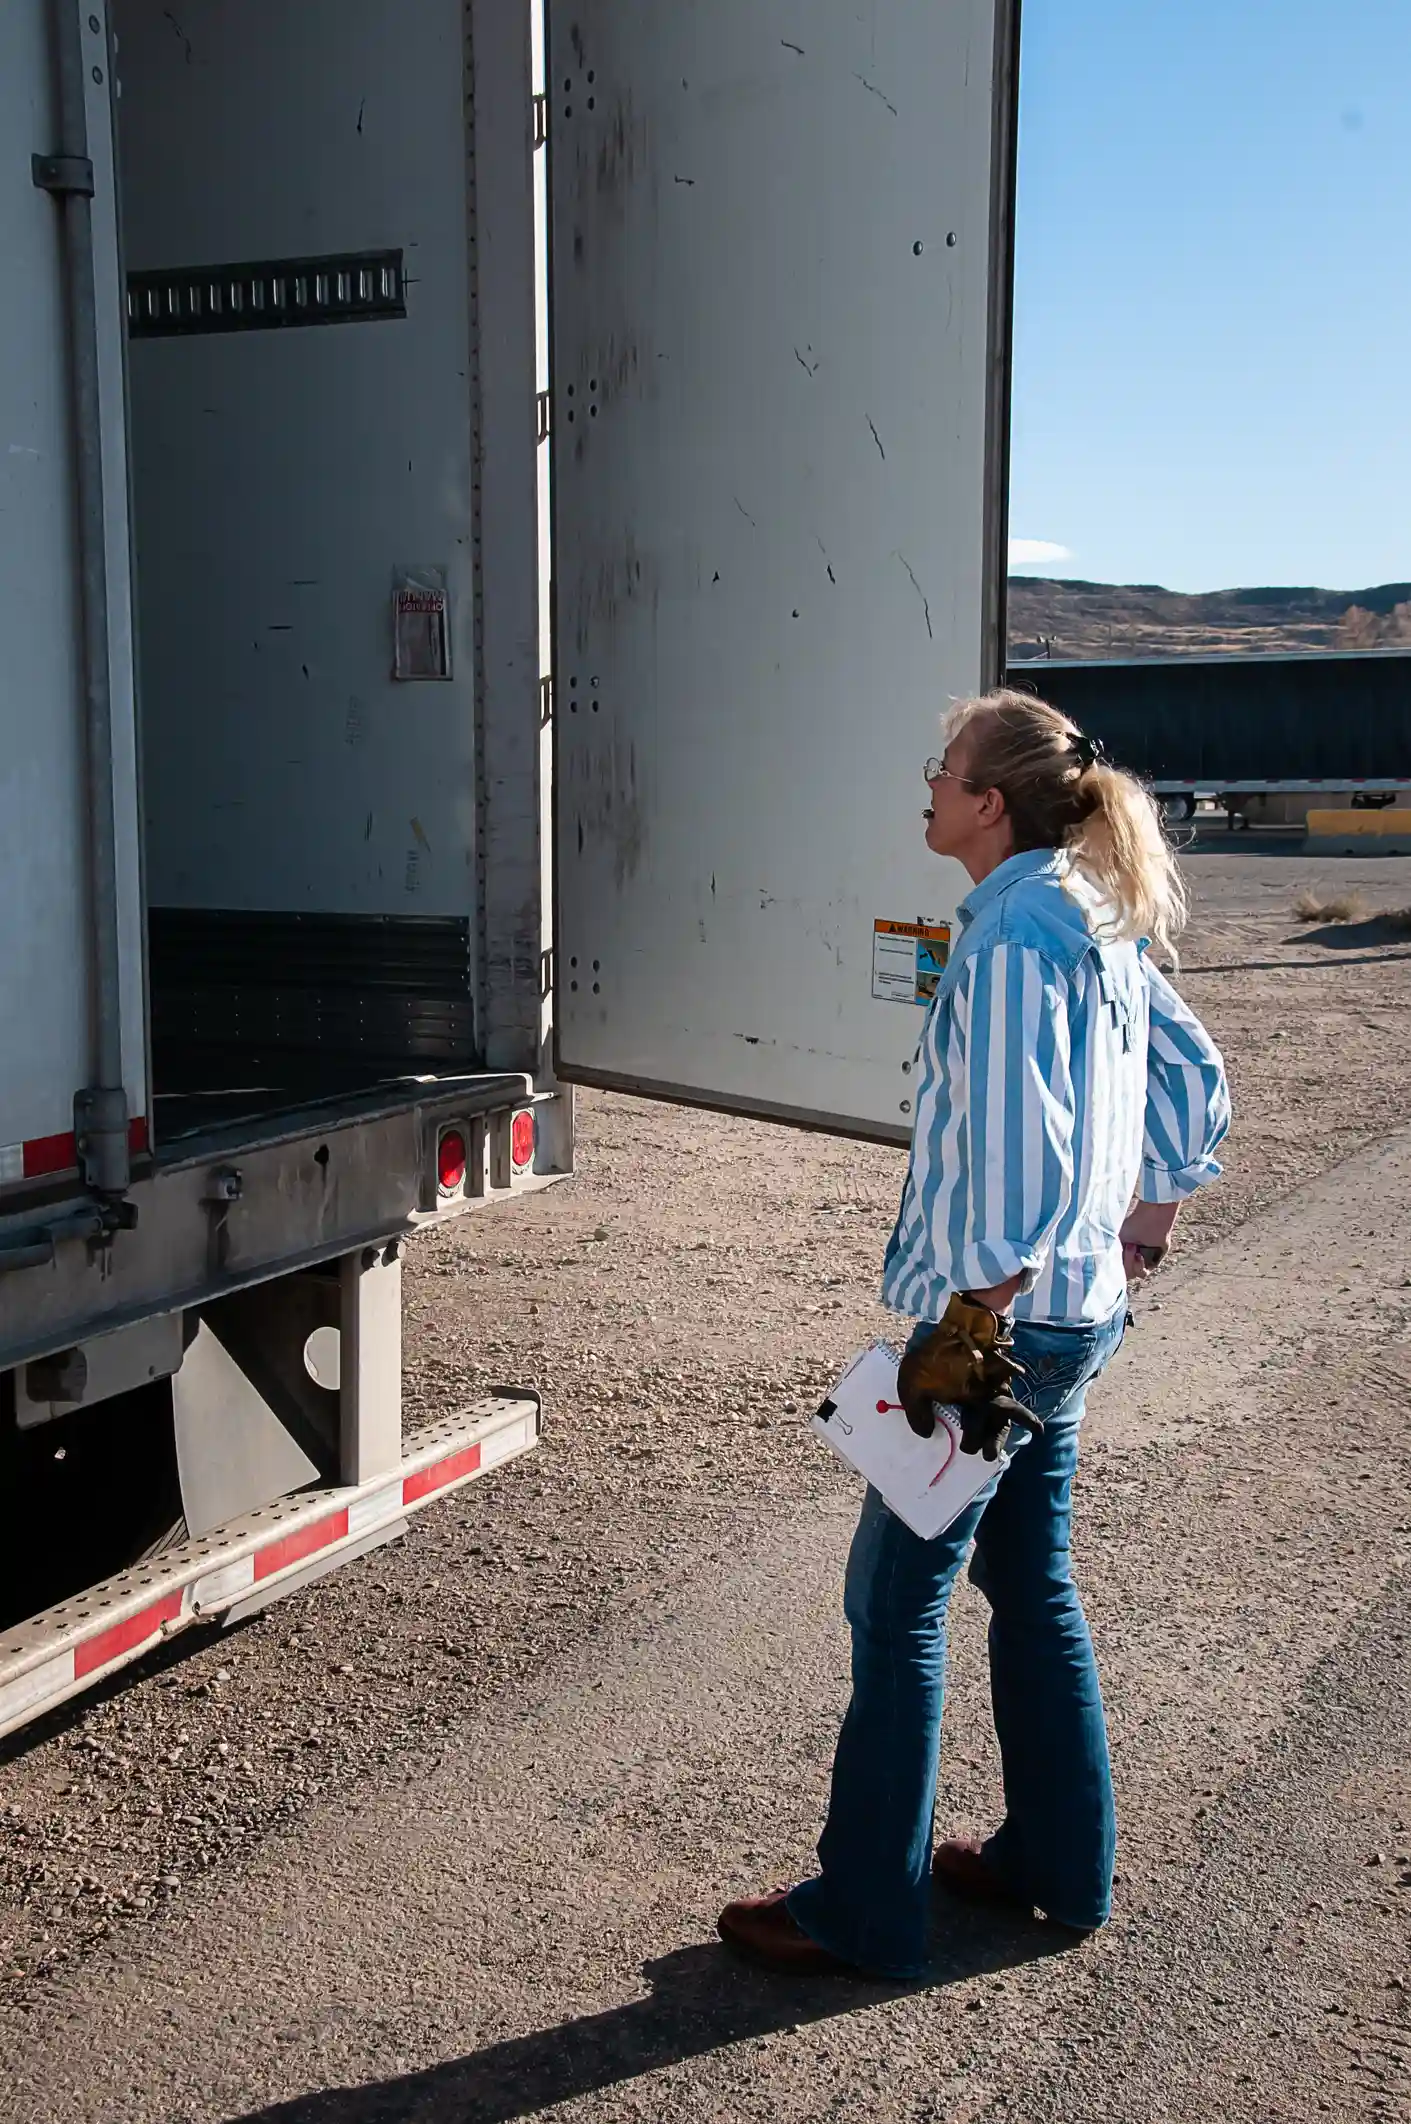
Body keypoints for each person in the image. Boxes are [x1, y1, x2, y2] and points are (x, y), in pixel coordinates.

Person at [717, 687, 1230, 1980]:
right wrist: (1142, 1228)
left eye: (941, 771)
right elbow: (1192, 1076)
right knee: (1028, 1583)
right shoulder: (1090, 913)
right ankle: (1057, 1868)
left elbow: (1013, 1157)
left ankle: (859, 1910)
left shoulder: (1008, 941)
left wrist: (967, 1329)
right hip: (1073, 1315)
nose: (927, 789)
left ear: (988, 804)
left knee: (891, 1606)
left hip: (999, 1328)